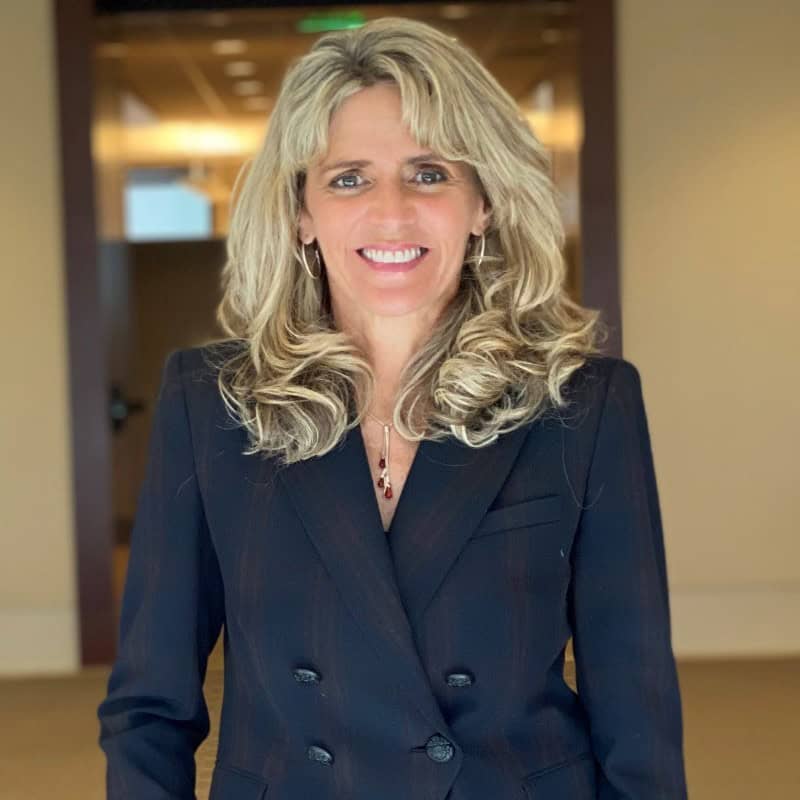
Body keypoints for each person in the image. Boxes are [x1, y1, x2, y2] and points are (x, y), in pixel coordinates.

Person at [96, 16, 688, 800]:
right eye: (348, 178)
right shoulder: (211, 404)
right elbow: (151, 706)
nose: (392, 211)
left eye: (430, 172)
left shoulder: (585, 404)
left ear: (484, 202)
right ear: (302, 213)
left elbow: (637, 713)